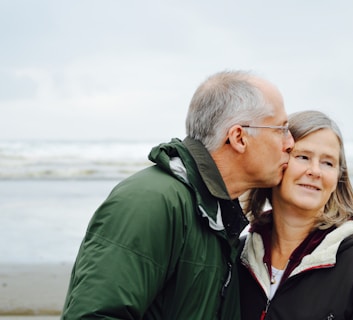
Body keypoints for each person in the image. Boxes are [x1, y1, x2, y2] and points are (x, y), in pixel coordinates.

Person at [61, 70, 294, 319]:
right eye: (280, 128)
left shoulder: (216, 214)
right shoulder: (151, 201)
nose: (290, 143)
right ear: (238, 137)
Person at [239, 110, 353, 320]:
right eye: (303, 157)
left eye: (328, 163)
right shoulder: (237, 256)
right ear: (278, 163)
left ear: (337, 179)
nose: (315, 171)